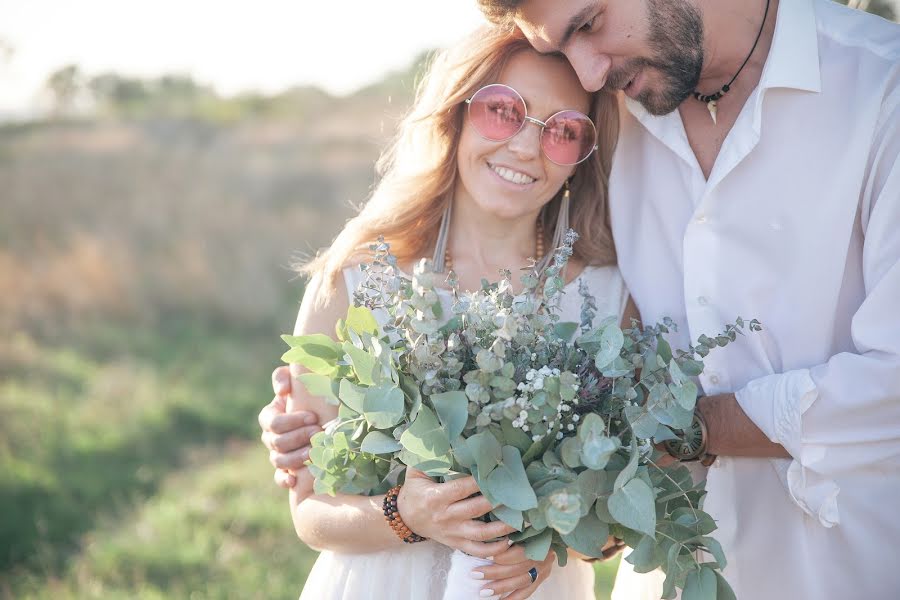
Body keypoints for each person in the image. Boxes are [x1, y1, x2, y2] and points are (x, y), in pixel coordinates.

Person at [465, 0, 899, 599]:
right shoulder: (604, 114)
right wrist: (349, 408)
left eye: (589, 24)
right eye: (562, 50)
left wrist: (683, 429)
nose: (588, 75)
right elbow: (491, 219)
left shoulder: (882, 89)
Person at [260, 25, 634, 600]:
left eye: (562, 130)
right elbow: (310, 510)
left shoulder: (606, 299)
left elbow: (614, 521)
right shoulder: (358, 278)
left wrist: (545, 553)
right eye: (504, 111)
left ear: (582, 157)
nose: (526, 147)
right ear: (455, 115)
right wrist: (405, 515)